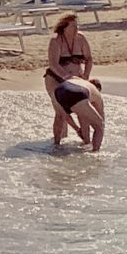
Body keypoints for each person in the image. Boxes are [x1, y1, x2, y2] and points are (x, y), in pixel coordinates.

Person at [45, 13, 103, 152]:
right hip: (56, 78)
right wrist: (67, 77)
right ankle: (58, 143)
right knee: (61, 113)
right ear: (64, 27)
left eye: (78, 26)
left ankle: (86, 142)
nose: (77, 28)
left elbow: (88, 58)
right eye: (73, 26)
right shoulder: (56, 40)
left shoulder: (81, 38)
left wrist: (85, 76)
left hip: (77, 78)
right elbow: (53, 64)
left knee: (83, 110)